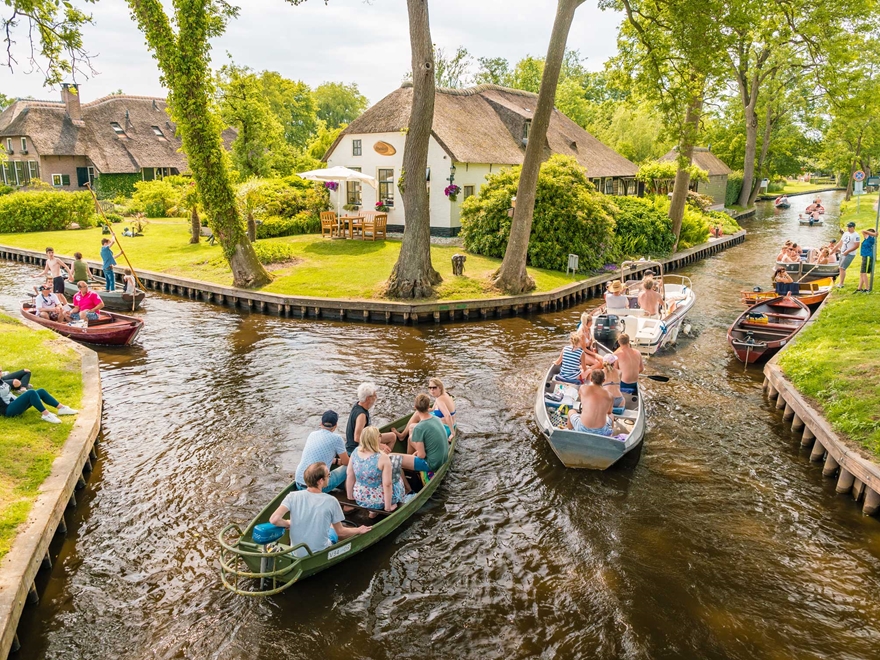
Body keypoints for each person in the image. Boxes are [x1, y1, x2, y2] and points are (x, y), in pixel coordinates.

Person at [269, 462, 368, 558]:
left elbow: (274, 519)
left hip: (296, 553)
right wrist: (359, 530)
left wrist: (288, 523)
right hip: (319, 551)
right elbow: (340, 532)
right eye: (328, 475)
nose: (329, 477)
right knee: (332, 528)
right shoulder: (331, 501)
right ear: (320, 481)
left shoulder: (292, 496)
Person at [345, 426, 405, 514]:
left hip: (359, 496)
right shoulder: (382, 457)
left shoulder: (355, 451)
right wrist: (388, 508)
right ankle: (390, 504)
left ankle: (372, 513)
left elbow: (350, 474)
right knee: (398, 479)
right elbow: (387, 484)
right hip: (378, 500)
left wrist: (350, 496)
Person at [294, 411, 349, 493]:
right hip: (317, 488)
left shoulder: (312, 434)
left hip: (299, 483)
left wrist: (336, 461)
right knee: (350, 466)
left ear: (321, 423)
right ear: (336, 425)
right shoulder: (337, 439)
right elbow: (346, 462)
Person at [345, 383, 397, 455]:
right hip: (356, 448)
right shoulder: (361, 415)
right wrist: (378, 445)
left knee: (392, 436)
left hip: (366, 439)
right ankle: (381, 459)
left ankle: (383, 457)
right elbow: (357, 438)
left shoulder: (358, 405)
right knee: (384, 446)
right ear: (368, 398)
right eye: (374, 395)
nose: (376, 397)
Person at [0, 378, 77, 424]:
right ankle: (46, 415)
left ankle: (62, 408)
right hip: (8, 410)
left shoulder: (1, 381)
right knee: (31, 392)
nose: (1, 373)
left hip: (14, 402)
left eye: (1, 371)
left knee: (41, 391)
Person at [406, 394, 449, 473]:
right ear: (428, 406)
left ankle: (409, 470)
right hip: (444, 458)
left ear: (415, 407)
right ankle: (410, 464)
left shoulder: (419, 428)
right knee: (410, 439)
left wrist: (415, 454)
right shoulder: (437, 419)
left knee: (393, 457)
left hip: (432, 464)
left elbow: (421, 455)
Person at [567, 369, 614, 436]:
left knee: (571, 411)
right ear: (603, 380)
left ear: (591, 379)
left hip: (582, 428)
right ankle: (610, 436)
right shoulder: (610, 396)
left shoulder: (583, 388)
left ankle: (569, 433)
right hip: (601, 431)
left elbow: (581, 399)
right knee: (611, 415)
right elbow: (609, 412)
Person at [837, 222, 861, 289]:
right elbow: (841, 242)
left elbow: (857, 246)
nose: (848, 228)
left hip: (850, 254)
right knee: (840, 267)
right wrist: (834, 249)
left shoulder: (856, 235)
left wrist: (848, 251)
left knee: (842, 268)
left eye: (850, 227)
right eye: (848, 227)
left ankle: (841, 284)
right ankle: (840, 282)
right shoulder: (845, 233)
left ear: (853, 227)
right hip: (843, 252)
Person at [856, 227, 877, 293]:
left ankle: (867, 288)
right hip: (864, 256)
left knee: (864, 273)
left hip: (867, 256)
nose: (864, 235)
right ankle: (859, 288)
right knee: (862, 273)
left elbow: (863, 231)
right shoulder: (869, 238)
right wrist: (874, 233)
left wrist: (872, 234)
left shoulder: (870, 238)